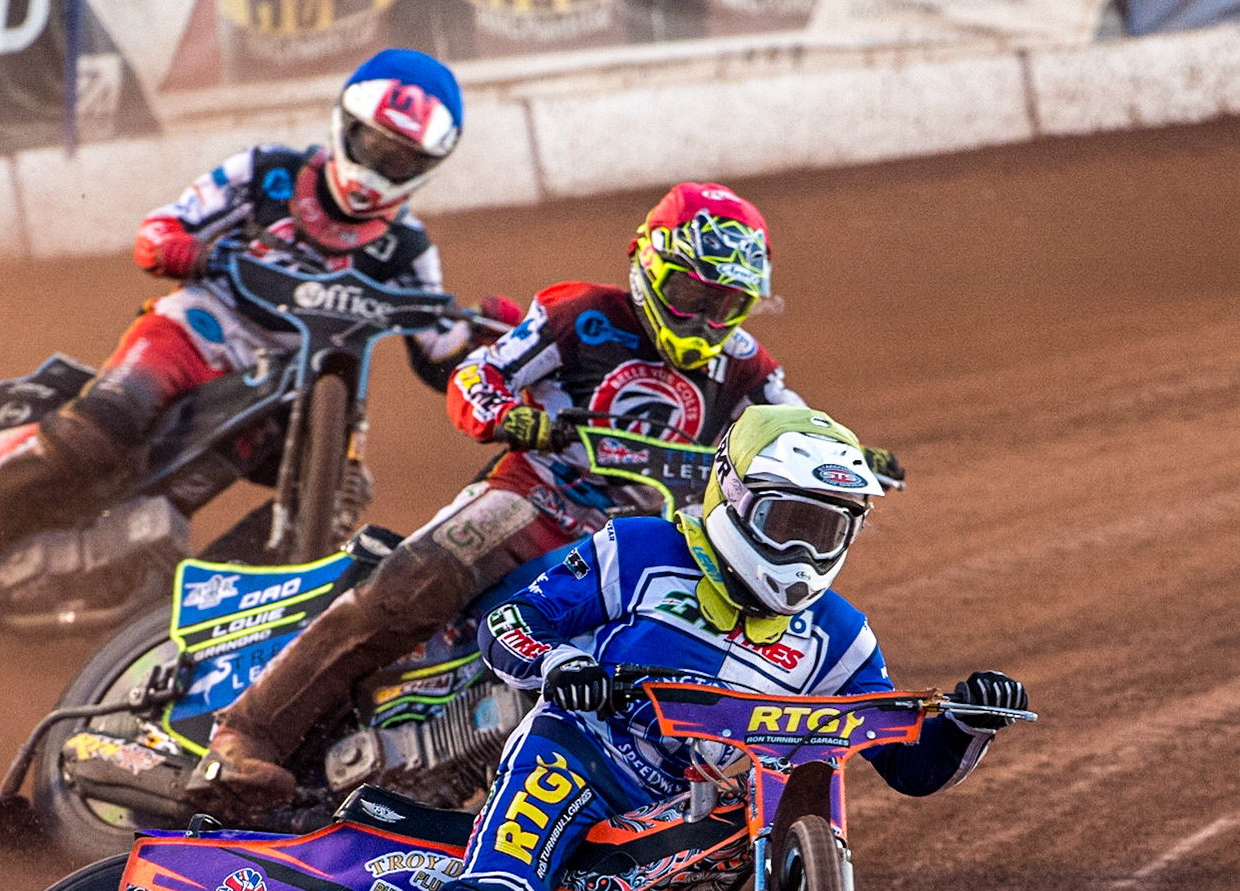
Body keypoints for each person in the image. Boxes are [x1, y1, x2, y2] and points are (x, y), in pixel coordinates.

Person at [207, 404, 1025, 891]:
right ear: (735, 500)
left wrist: (964, 723)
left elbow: (908, 762)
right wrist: (559, 663)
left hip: (682, 833)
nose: (806, 553)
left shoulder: (838, 637)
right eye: (789, 522)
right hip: (577, 760)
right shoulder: (641, 550)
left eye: (829, 528)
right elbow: (511, 624)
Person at [191, 180, 901, 811]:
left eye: (728, 303)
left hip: (643, 542)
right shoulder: (582, 315)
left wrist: (851, 462)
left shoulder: (747, 366)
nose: (706, 320)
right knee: (416, 584)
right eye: (692, 295)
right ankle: (244, 732)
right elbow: (476, 376)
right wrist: (510, 413)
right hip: (540, 498)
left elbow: (797, 429)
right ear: (649, 266)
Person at [0, 49, 502, 616]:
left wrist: (492, 341)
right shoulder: (268, 174)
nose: (382, 166)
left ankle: (203, 615)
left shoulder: (408, 247)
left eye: (403, 158)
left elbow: (442, 353)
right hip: (193, 335)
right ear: (346, 126)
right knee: (100, 432)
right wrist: (193, 254)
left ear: (428, 166)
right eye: (376, 144)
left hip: (289, 390)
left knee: (340, 494)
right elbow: (162, 231)